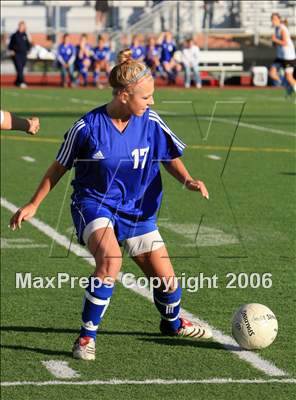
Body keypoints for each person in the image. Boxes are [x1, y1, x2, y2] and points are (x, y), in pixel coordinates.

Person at [9, 49, 212, 361]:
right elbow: (59, 167)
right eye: (147, 97)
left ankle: (172, 324)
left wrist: (188, 179)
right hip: (93, 204)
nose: (152, 102)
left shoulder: (151, 121)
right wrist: (34, 203)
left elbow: (168, 156)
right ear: (124, 94)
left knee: (168, 284)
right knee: (111, 259)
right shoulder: (87, 126)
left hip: (138, 209)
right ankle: (85, 338)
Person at [269, 13, 296, 95]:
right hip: (280, 57)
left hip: (288, 57)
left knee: (289, 77)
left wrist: (275, 40)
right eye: (272, 19)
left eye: (274, 19)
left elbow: (285, 43)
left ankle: (289, 85)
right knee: (272, 73)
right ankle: (286, 84)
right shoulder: (276, 29)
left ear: (279, 20)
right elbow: (277, 43)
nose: (273, 21)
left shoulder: (282, 28)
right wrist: (274, 42)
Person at [8, 21, 32, 88]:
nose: (22, 27)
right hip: (17, 54)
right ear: (19, 26)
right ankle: (22, 82)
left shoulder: (25, 35)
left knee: (21, 69)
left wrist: (28, 50)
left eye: (23, 26)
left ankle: (17, 82)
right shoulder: (14, 35)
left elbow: (29, 44)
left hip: (24, 54)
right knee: (19, 68)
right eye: (21, 26)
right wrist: (12, 50)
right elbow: (10, 45)